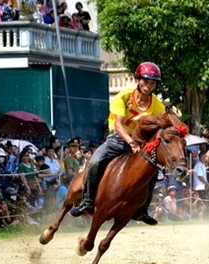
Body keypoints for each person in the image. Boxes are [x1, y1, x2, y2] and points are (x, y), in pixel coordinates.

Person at [69, 62, 166, 223]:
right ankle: (87, 201)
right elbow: (118, 125)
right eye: (146, 81)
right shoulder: (124, 96)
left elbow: (162, 126)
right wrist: (130, 141)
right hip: (118, 139)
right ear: (138, 79)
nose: (148, 86)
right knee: (94, 162)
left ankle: (142, 210)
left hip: (140, 143)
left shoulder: (158, 105)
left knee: (153, 171)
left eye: (152, 83)